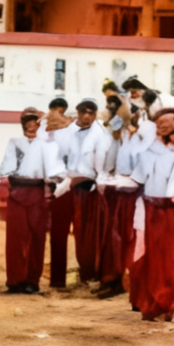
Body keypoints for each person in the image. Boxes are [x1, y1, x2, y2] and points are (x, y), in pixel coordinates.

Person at [129, 102, 174, 323]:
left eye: (169, 123)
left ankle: (170, 303)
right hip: (152, 208)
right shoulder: (147, 152)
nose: (164, 127)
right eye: (159, 123)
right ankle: (151, 303)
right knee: (152, 257)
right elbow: (138, 180)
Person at [0, 106, 60, 295]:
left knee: (36, 238)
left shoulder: (46, 146)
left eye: (35, 122)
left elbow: (52, 173)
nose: (31, 126)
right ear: (23, 124)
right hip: (17, 193)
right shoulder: (14, 143)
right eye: (28, 122)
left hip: (37, 194)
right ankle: (15, 280)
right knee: (15, 238)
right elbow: (5, 170)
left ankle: (32, 280)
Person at [93, 106, 143, 299]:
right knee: (112, 238)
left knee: (128, 238)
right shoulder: (117, 136)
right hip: (116, 191)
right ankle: (111, 279)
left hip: (134, 193)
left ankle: (124, 278)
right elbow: (108, 161)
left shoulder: (141, 138)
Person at [42, 98, 84, 290]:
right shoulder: (43, 131)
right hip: (55, 186)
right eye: (53, 111)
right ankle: (57, 280)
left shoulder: (71, 131)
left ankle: (85, 276)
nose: (55, 114)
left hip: (73, 185)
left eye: (59, 111)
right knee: (58, 235)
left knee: (81, 233)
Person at [66, 99, 108, 285]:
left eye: (91, 113)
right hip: (73, 189)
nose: (86, 116)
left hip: (92, 190)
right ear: (77, 112)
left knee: (92, 234)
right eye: (83, 112)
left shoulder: (100, 135)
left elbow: (102, 165)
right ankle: (83, 272)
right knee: (79, 232)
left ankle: (93, 272)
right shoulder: (70, 133)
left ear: (95, 115)